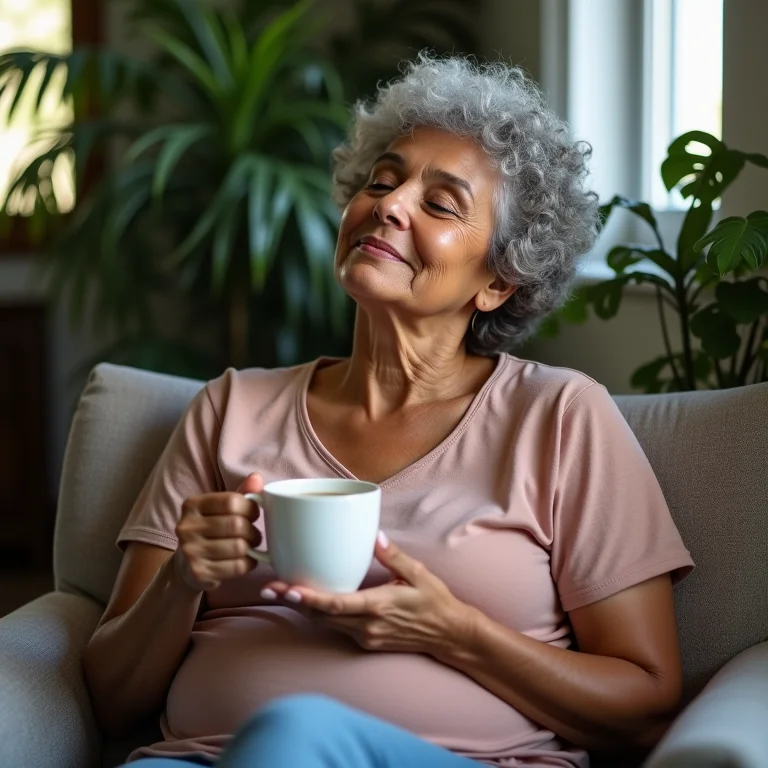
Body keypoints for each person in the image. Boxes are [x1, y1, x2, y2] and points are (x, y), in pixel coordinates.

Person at [83, 54, 694, 768]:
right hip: (197, 759)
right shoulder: (229, 408)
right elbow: (112, 699)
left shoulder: (560, 417)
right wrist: (180, 580)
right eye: (381, 180)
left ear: (499, 281)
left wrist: (456, 633)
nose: (390, 204)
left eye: (440, 204)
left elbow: (646, 707)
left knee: (293, 735)